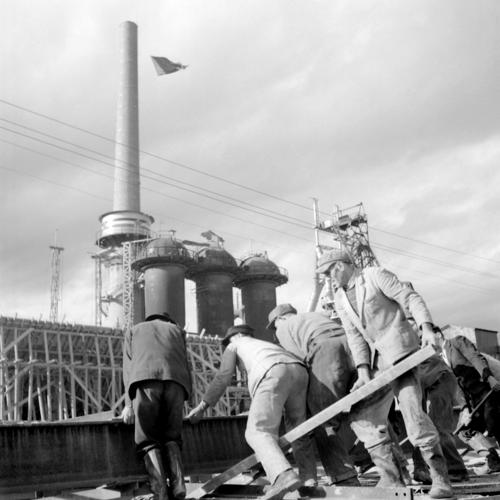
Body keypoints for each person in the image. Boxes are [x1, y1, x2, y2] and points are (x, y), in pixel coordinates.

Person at [317, 249, 454, 499]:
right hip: (378, 364)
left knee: (414, 418)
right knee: (361, 416)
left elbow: (410, 297)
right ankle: (393, 480)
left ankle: (441, 481)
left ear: (339, 266)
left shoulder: (374, 275)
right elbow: (355, 336)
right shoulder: (340, 298)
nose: (328, 278)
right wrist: (362, 372)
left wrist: (426, 328)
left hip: (401, 353)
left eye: (328, 272)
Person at [187, 324, 317, 500]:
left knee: (258, 431)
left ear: (234, 337)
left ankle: (283, 475)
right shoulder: (266, 345)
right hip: (299, 370)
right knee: (298, 429)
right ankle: (308, 479)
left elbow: (222, 377)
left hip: (272, 371)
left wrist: (202, 407)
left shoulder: (234, 345)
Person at [266, 303, 363, 486]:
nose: (276, 330)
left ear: (280, 319)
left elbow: (298, 363)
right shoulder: (315, 316)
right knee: (366, 409)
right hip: (352, 345)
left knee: (322, 418)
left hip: (326, 349)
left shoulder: (285, 327)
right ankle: (398, 472)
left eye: (275, 326)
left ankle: (343, 476)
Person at [121, 312, 191, 500]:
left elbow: (128, 367)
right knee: (172, 437)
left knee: (147, 438)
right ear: (167, 321)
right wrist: (187, 396)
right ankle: (178, 486)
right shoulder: (177, 330)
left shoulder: (134, 330)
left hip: (145, 381)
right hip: (177, 383)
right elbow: (186, 362)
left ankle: (160, 490)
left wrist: (128, 404)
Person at [436, 328, 500, 472]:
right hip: (472, 400)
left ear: (437, 334)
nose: (424, 342)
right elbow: (455, 387)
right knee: (464, 430)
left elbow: (475, 358)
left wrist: (489, 377)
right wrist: (464, 408)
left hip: (489, 389)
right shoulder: (439, 361)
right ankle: (493, 460)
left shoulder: (457, 342)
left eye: (424, 337)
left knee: (496, 425)